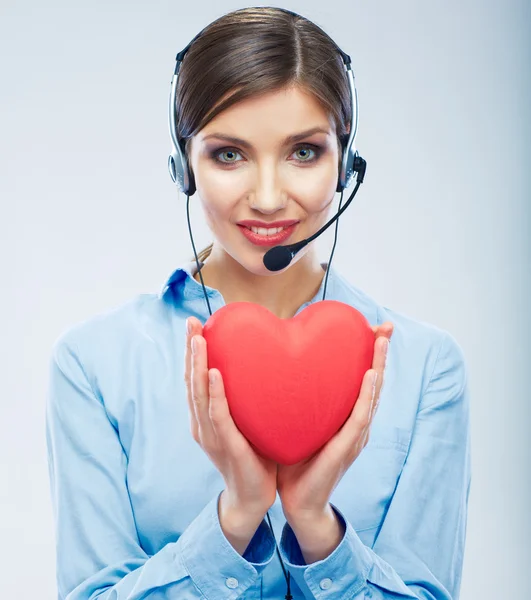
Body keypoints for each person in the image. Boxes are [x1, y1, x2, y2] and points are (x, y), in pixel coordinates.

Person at [45, 6, 471, 600]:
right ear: (184, 167)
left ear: (345, 164)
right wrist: (237, 515)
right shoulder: (94, 364)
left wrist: (317, 526)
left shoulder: (427, 368)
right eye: (228, 154)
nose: (269, 198)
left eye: (303, 152)